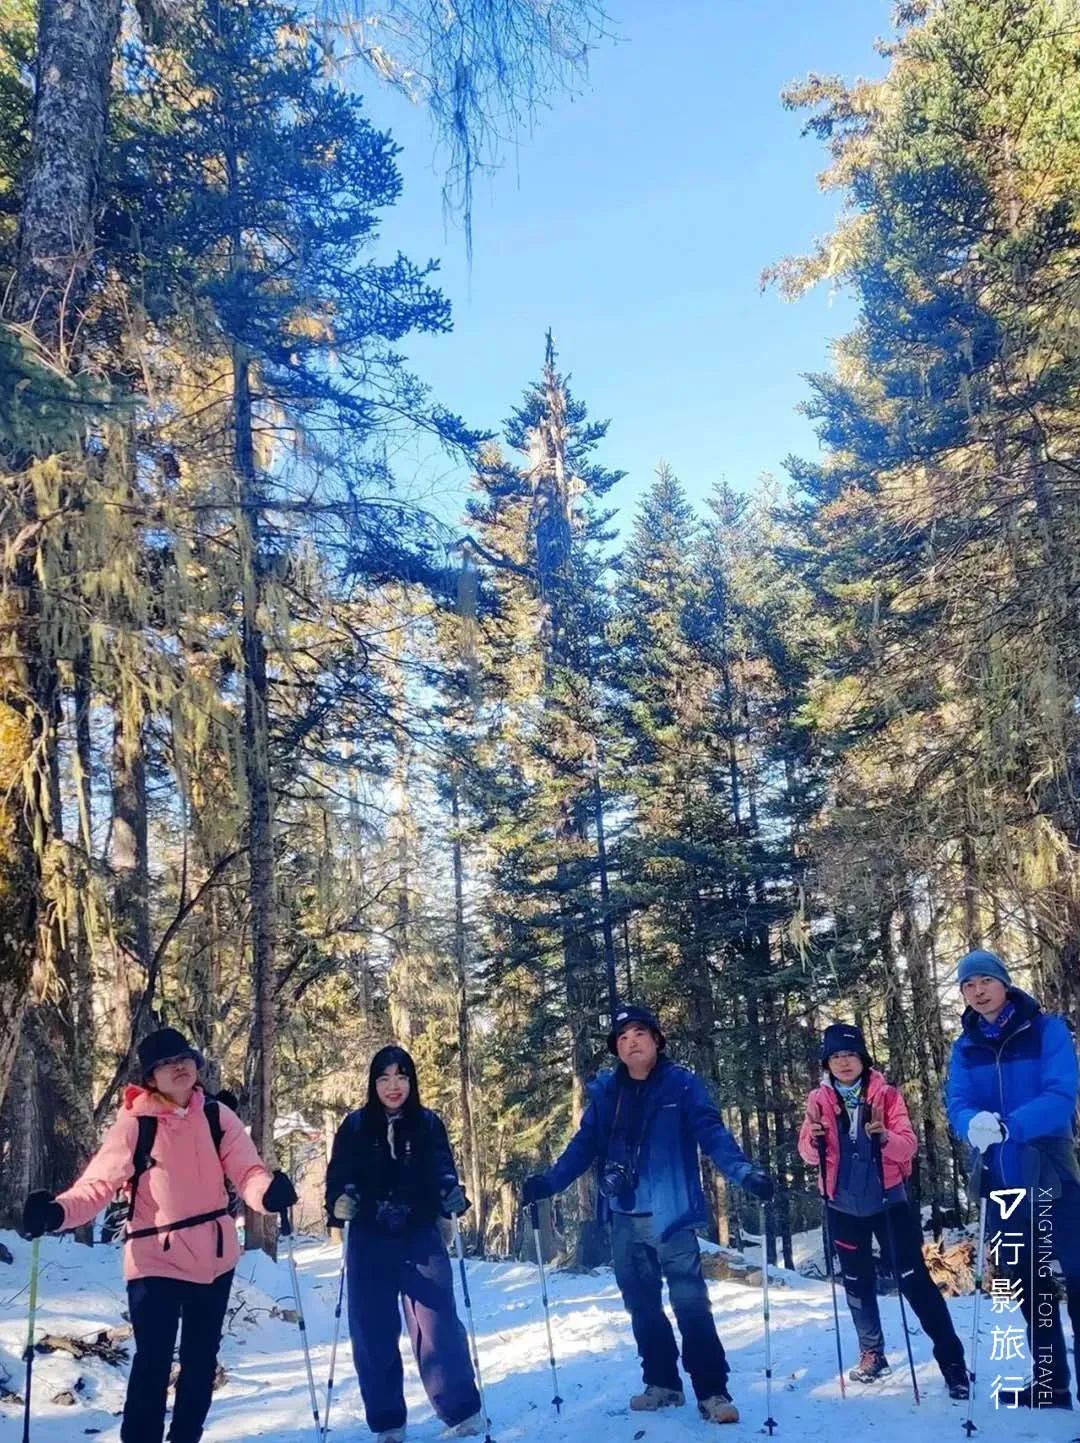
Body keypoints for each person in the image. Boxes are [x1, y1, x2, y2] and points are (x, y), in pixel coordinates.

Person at [21, 1027, 296, 1443]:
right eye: (165, 1064)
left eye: (183, 1058)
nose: (178, 1067)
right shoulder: (136, 1124)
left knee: (201, 1362)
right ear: (151, 1077)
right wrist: (56, 1213)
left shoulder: (217, 1116)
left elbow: (248, 1171)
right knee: (153, 1361)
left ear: (195, 1064)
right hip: (155, 1261)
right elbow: (97, 1185)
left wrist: (268, 1195)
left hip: (215, 1259)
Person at [520, 1004, 775, 1426]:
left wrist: (745, 1173)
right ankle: (662, 1383)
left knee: (690, 1303)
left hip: (672, 1215)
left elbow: (712, 1134)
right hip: (625, 1216)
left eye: (639, 1033)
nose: (631, 1043)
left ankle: (712, 1392)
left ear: (657, 1039)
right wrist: (549, 1183)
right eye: (622, 1038)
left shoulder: (682, 1085)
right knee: (641, 1305)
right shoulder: (607, 1094)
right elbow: (582, 1147)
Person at [798, 1021, 970, 1398]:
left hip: (889, 1201)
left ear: (863, 1058)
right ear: (827, 1063)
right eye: (835, 1056)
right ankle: (872, 1354)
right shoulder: (818, 1099)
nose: (844, 1062)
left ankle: (953, 1363)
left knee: (914, 1280)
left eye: (850, 1054)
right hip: (842, 1204)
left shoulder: (886, 1095)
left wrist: (885, 1137)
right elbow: (807, 1154)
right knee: (857, 1283)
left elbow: (908, 1146)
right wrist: (813, 1140)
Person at [326, 1045, 483, 1443]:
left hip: (419, 1234)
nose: (393, 1086)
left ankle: (461, 1410)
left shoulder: (427, 1123)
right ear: (373, 1084)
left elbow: (442, 1167)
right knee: (372, 1331)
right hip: (369, 1238)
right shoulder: (355, 1126)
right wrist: (339, 1203)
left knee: (437, 1324)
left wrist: (450, 1193)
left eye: (401, 1077)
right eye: (384, 1078)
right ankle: (388, 1421)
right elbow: (338, 1175)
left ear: (411, 1082)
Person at [946, 949, 1080, 1410]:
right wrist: (972, 1124)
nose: (977, 991)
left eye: (985, 980)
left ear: (1004, 982)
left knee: (1077, 1279)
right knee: (1028, 1285)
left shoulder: (1046, 1030)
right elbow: (957, 1101)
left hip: (1052, 1175)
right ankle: (1050, 1385)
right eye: (968, 985)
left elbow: (1061, 1095)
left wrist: (1010, 1126)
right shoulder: (965, 1046)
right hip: (1001, 1182)